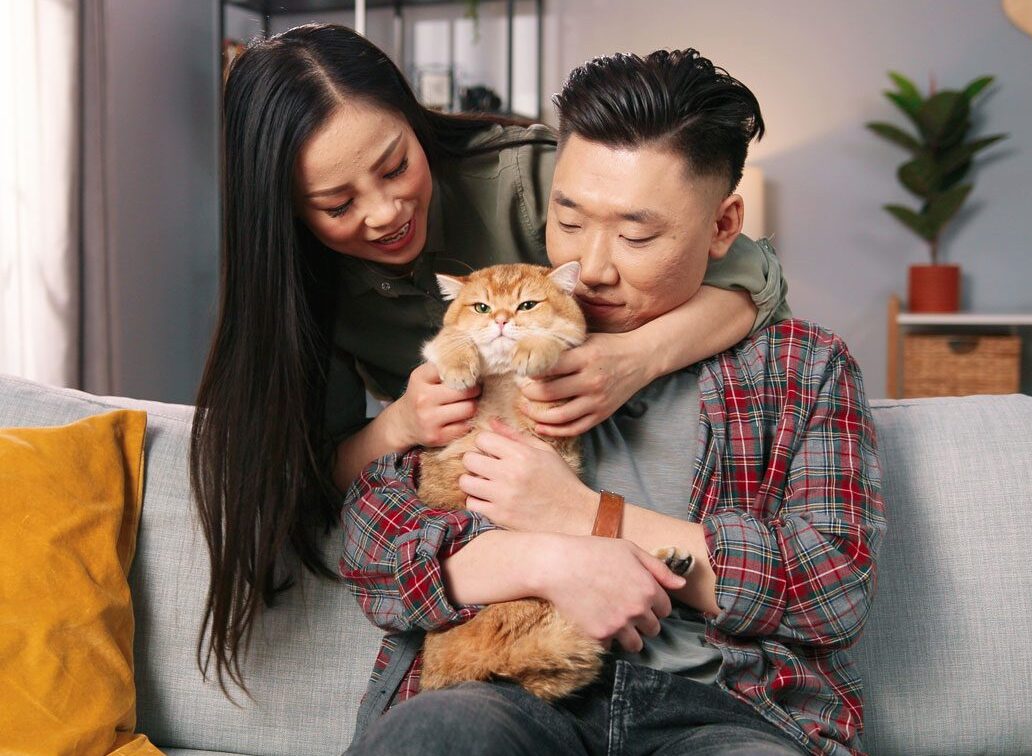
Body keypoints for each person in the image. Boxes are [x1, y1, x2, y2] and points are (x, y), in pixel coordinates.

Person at [190, 24, 790, 692]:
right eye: (337, 204)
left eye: (395, 167)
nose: (386, 212)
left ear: (417, 124)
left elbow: (752, 275)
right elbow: (312, 479)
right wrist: (396, 429)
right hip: (486, 517)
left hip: (628, 482)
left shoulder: (527, 182)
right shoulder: (299, 288)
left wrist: (633, 358)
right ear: (289, 214)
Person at [340, 49, 886, 756]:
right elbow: (372, 542)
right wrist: (542, 561)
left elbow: (832, 586)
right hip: (504, 693)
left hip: (727, 710)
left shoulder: (803, 369)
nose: (593, 268)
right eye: (567, 220)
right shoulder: (500, 338)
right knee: (434, 736)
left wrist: (583, 516)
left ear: (723, 227)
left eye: (636, 235)